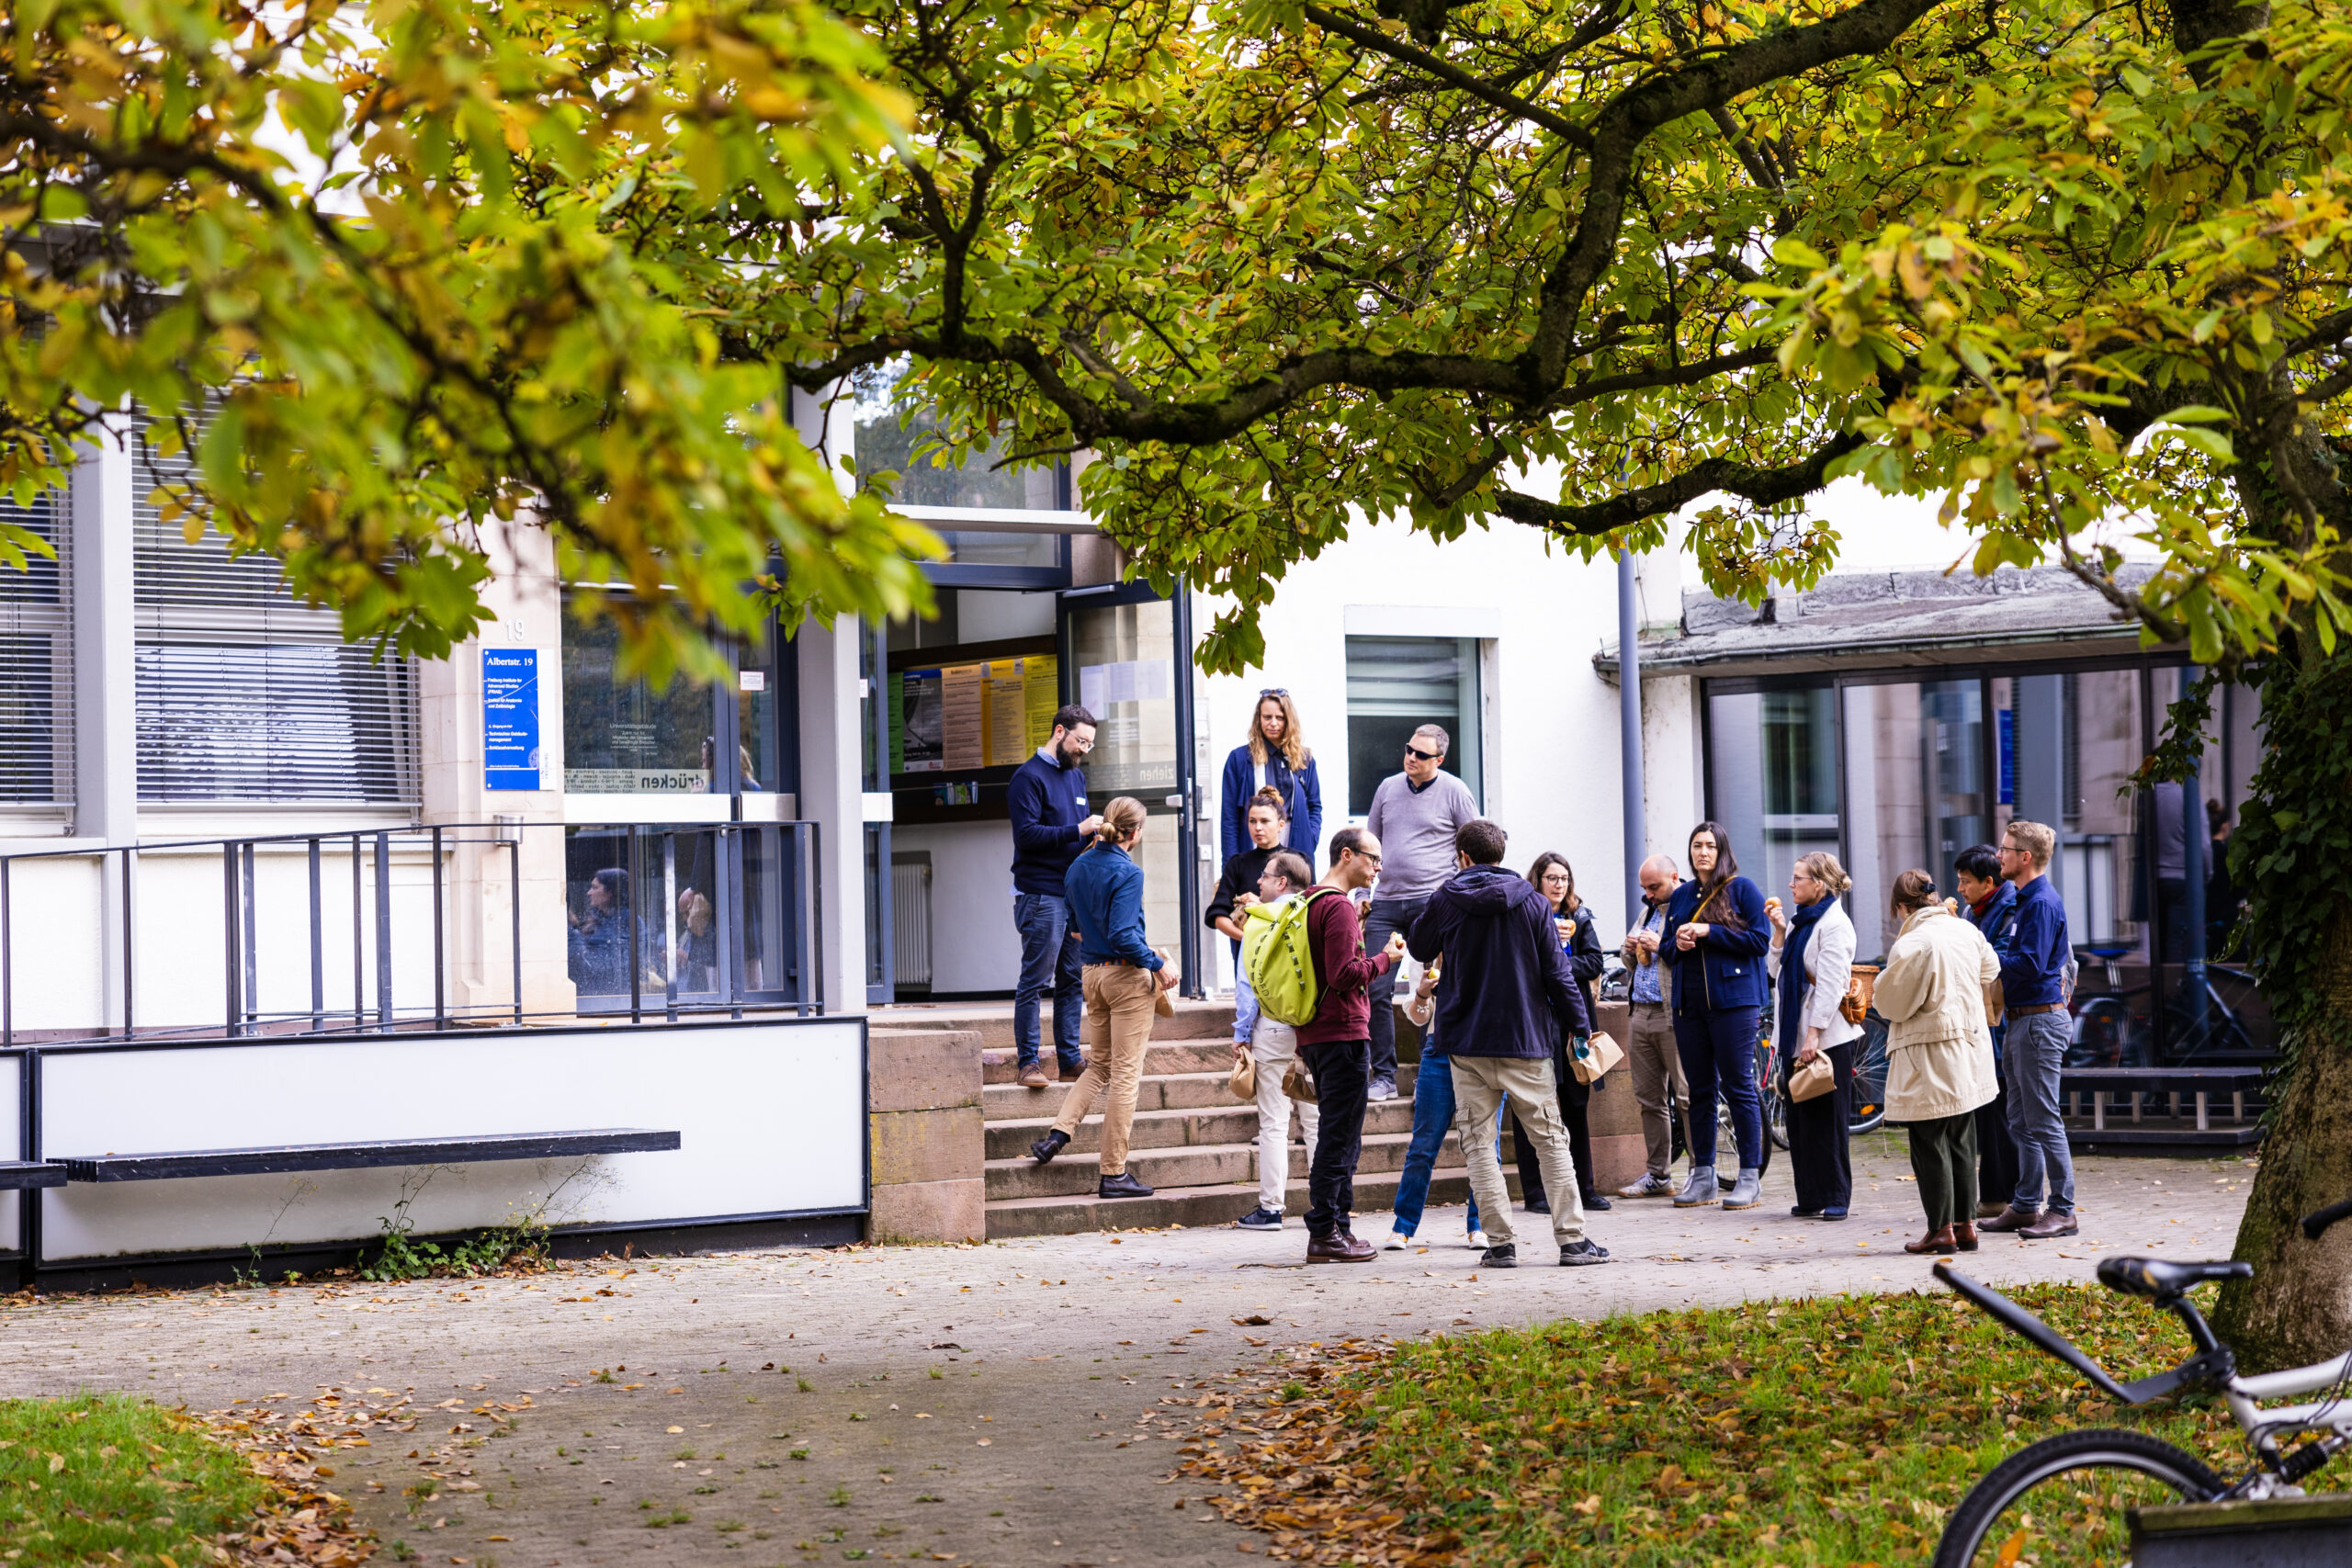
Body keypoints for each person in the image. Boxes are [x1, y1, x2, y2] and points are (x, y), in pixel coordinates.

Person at [1409, 819, 1611, 1269]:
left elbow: (1421, 943)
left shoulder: (1447, 897)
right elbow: (1558, 973)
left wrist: (1443, 894)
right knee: (1551, 1141)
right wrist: (1580, 1027)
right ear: (1501, 855)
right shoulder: (1535, 903)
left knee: (1478, 1144)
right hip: (1526, 1040)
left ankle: (1500, 1245)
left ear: (1462, 856)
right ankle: (1573, 1241)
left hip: (1465, 1042)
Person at [1026, 797, 1178, 1198]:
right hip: (1125, 978)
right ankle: (1113, 1173)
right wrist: (1156, 963)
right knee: (1125, 1077)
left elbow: (1075, 930)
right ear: (1136, 832)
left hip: (1091, 975)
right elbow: (1124, 935)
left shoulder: (1078, 865)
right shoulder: (1129, 872)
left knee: (1099, 1067)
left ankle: (1057, 1136)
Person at [1874, 868, 2003, 1256]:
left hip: (1928, 1052)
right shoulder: (1965, 929)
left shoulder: (1913, 942)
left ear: (1901, 906)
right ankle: (1966, 1226)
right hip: (1970, 1048)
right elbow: (1992, 972)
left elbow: (1892, 1004)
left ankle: (1940, 1229)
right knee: (1963, 1137)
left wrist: (1880, 982)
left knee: (1929, 1141)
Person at [1293, 826, 1408, 1261]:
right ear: (1347, 854)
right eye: (1373, 858)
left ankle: (1339, 1225)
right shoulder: (1336, 906)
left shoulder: (1311, 900)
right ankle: (1324, 1232)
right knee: (1339, 1139)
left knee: (1339, 1134)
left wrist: (1356, 930)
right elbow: (1343, 976)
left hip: (1318, 1034)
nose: (1378, 868)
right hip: (1342, 1033)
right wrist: (1385, 959)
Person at [1362, 724, 1480, 1102]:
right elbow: (1371, 843)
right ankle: (1383, 1076)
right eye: (1409, 749)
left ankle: (1430, 1077)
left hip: (1433, 904)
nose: (1411, 758)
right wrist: (1363, 893)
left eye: (1422, 754)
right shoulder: (1387, 788)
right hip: (1386, 903)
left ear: (1439, 760)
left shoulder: (1455, 791)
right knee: (1372, 987)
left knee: (1428, 987)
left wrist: (1463, 896)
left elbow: (1475, 844)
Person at [1660, 821, 1771, 1211]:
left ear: (1722, 850)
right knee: (1699, 1090)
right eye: (1696, 845)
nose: (1702, 852)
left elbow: (1760, 941)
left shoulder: (1743, 889)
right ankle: (1703, 1175)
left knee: (1739, 1086)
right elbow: (1666, 952)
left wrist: (1709, 932)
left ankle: (1748, 1177)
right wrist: (1680, 941)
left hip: (1735, 1004)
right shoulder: (1681, 895)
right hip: (1689, 1006)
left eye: (1709, 845)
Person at [1981, 818, 2080, 1239]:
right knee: (2020, 1119)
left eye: (2005, 849)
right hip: (2025, 1020)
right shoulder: (2027, 898)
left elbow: (2033, 964)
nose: (1998, 855)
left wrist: (1982, 958)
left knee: (2043, 1119)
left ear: (2025, 857)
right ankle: (2024, 1206)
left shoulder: (2039, 902)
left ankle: (2063, 1210)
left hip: (2039, 1021)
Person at [1006, 705, 1106, 1090]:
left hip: (1071, 895)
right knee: (1036, 979)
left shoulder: (1076, 777)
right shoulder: (1027, 778)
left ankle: (1068, 1060)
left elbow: (1073, 836)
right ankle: (1028, 1063)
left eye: (1090, 745)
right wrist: (1077, 828)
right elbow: (1027, 836)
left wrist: (1093, 837)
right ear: (1059, 731)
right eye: (1080, 741)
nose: (1083, 750)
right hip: (1040, 893)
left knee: (1071, 980)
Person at [1512, 853, 1611, 1214]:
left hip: (1573, 1024)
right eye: (1552, 877)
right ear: (1537, 880)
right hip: (1535, 1023)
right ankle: (1535, 1193)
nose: (1559, 884)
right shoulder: (1523, 914)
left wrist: (1561, 963)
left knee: (1575, 1106)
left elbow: (1595, 962)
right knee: (1532, 1108)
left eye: (1565, 878)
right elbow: (1520, 963)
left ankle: (1585, 1189)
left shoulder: (1579, 917)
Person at [1766, 852, 1863, 1221]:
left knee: (1829, 1120)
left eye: (1798, 878)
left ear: (1818, 884)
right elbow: (1777, 972)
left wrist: (1813, 1036)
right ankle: (1808, 1195)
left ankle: (1836, 1194)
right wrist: (1778, 933)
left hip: (1826, 1039)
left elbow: (1831, 986)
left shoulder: (1835, 925)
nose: (1791, 884)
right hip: (1794, 1034)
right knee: (1799, 1120)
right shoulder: (1799, 922)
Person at [1231, 850, 1321, 1229]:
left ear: (1282, 882)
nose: (1259, 882)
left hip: (1270, 1028)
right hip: (1313, 1030)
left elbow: (1248, 985)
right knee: (1316, 1120)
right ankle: (1326, 1204)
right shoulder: (1315, 916)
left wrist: (1240, 1033)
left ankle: (1270, 1209)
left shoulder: (1257, 923)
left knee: (1273, 1122)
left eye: (1266, 876)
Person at [1379, 954, 1489, 1250]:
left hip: (1484, 1051)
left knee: (1485, 1145)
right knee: (1423, 1145)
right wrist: (1423, 992)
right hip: (1439, 1048)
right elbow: (1418, 1017)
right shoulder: (1428, 953)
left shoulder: (1489, 942)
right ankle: (1402, 1225)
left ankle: (1480, 1225)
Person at [1954, 843, 2021, 1219]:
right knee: (1988, 1114)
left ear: (1988, 882)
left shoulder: (2010, 909)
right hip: (1981, 1026)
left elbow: (1994, 963)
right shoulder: (1973, 910)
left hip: (2001, 1024)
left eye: (1966, 882)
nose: (1961, 889)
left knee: (2002, 1114)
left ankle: (2011, 1194)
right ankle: (1994, 1193)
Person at [1617, 854, 1690, 1198]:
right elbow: (1629, 958)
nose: (1648, 893)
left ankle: (1698, 1171)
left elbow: (1689, 956)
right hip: (1640, 1013)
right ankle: (1658, 1175)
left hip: (1673, 1012)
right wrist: (1630, 949)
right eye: (1644, 888)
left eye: (1654, 886)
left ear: (1674, 878)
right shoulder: (1648, 910)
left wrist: (1658, 946)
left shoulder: (1687, 906)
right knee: (1649, 1099)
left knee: (1687, 1096)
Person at [1208, 789, 1292, 1055]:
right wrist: (1249, 939)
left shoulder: (1296, 861)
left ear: (1281, 824)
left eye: (1265, 821)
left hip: (1288, 955)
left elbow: (1303, 911)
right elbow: (1217, 916)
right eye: (1252, 821)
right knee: (1250, 1011)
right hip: (1247, 957)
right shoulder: (1238, 863)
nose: (1257, 827)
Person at [1219, 690, 1323, 864]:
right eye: (1267, 717)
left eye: (1280, 718)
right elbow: (1229, 817)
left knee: (1293, 890)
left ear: (1289, 720)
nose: (1273, 723)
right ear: (1259, 720)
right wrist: (1230, 864)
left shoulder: (1305, 759)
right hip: (1254, 840)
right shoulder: (1239, 759)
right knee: (1255, 890)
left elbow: (1315, 806)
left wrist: (1310, 838)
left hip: (1295, 840)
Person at [568, 867, 656, 998]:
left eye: (595, 887)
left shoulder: (628, 921)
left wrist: (575, 940)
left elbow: (613, 964)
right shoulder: (599, 919)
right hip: (594, 992)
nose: (589, 892)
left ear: (610, 893)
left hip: (615, 996)